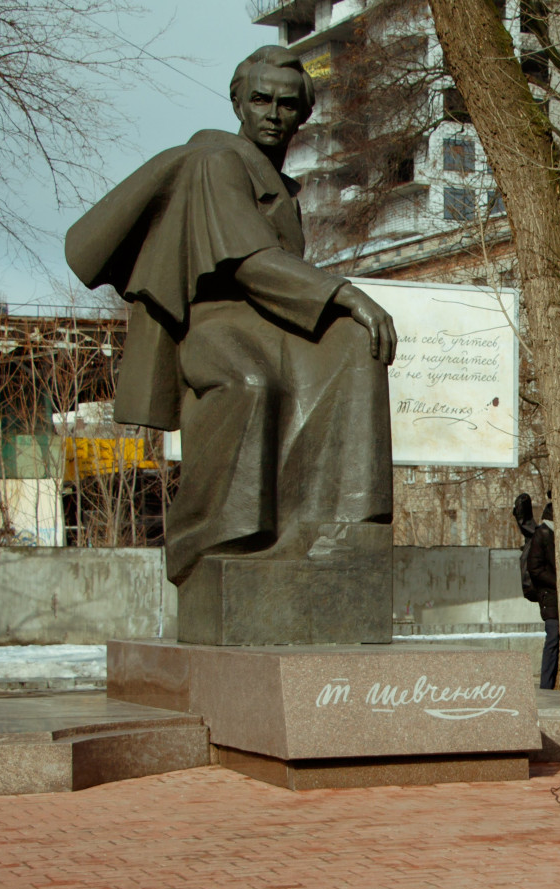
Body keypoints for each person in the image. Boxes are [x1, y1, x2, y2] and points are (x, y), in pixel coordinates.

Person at [67, 46, 398, 585]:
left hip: (271, 324)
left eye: (287, 104)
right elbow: (250, 264)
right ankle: (209, 536)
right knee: (250, 383)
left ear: (303, 115)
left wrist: (342, 309)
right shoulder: (216, 162)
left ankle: (342, 525)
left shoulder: (282, 188)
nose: (273, 113)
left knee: (354, 346)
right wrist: (345, 294)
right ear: (238, 103)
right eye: (261, 99)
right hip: (214, 325)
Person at [527, 500, 558, 689]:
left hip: (554, 594)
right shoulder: (543, 533)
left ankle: (549, 682)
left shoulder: (551, 533)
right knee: (553, 637)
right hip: (549, 595)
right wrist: (558, 584)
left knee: (555, 638)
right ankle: (546, 685)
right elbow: (535, 568)